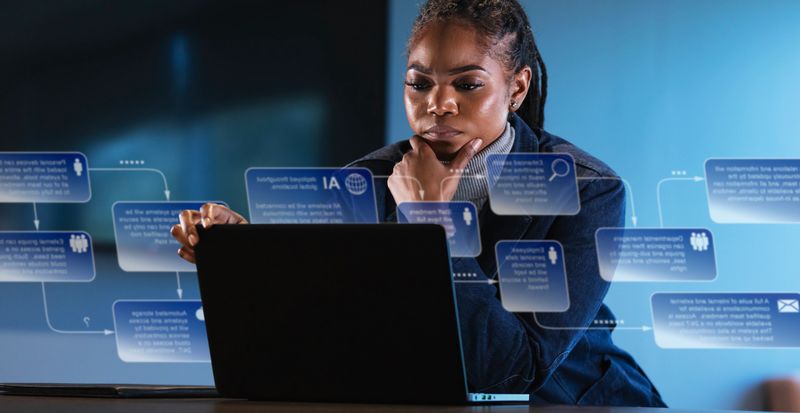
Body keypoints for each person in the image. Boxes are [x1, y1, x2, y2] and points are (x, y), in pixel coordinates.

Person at [172, 0, 665, 406]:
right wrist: (241, 253)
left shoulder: (589, 189)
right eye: (419, 83)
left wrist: (433, 220)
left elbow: (513, 371)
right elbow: (325, 322)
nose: (438, 104)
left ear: (516, 87)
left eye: (468, 84)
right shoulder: (364, 180)